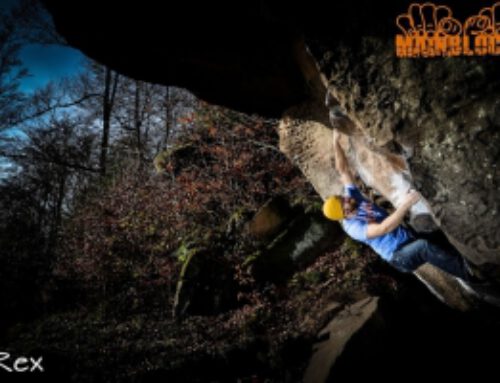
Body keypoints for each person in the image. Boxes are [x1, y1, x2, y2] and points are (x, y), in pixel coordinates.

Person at [323, 129, 480, 283]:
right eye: (343, 202)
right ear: (344, 213)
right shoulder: (353, 228)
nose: (346, 198)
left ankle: (465, 259)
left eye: (341, 198)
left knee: (430, 230)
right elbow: (383, 228)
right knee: (423, 247)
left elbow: (342, 170)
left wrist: (335, 141)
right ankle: (473, 277)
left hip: (408, 237)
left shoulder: (352, 198)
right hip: (400, 256)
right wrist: (406, 204)